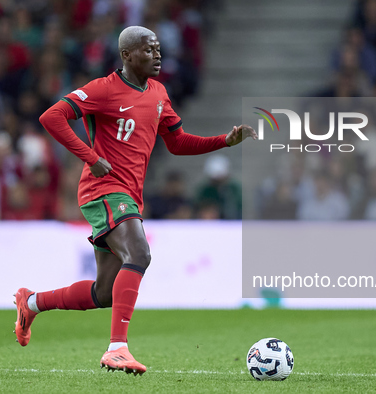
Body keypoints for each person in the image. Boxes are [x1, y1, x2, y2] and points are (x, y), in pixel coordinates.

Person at [13, 26, 256, 376]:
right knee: (139, 254)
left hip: (128, 195)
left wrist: (223, 141)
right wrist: (90, 156)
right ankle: (117, 349)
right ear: (127, 55)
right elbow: (52, 117)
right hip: (104, 189)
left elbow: (177, 142)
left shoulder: (158, 92)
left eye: (158, 49)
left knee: (105, 293)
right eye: (148, 50)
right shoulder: (104, 89)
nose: (157, 55)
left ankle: (32, 302)